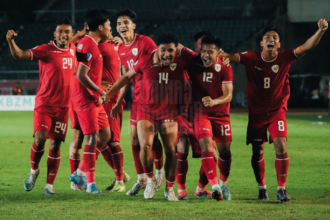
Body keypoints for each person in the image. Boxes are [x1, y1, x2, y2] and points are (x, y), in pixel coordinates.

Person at [219, 19, 328, 202]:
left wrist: (320, 31)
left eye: (275, 37)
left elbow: (305, 47)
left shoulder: (285, 57)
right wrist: (222, 56)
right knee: (257, 152)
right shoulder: (251, 57)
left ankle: (281, 189)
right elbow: (234, 57)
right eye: (267, 37)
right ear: (262, 42)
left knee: (281, 146)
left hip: (276, 111)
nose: (271, 39)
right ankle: (262, 188)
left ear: (278, 43)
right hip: (256, 114)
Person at [106, 33, 188, 201]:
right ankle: (150, 180)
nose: (166, 54)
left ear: (176, 50)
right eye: (163, 50)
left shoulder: (182, 62)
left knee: (172, 150)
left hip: (169, 111)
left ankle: (169, 188)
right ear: (157, 49)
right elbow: (127, 76)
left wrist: (222, 57)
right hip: (146, 110)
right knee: (145, 146)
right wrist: (110, 93)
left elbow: (201, 60)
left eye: (171, 50)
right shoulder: (145, 60)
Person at [6, 18, 76, 195]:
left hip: (63, 107)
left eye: (67, 32)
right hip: (44, 104)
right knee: (40, 139)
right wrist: (10, 41)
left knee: (55, 145)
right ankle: (34, 170)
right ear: (54, 33)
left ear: (71, 34)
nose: (63, 35)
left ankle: (49, 185)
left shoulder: (74, 48)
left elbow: (85, 37)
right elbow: (19, 55)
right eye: (60, 31)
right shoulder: (46, 50)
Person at [114, 8, 164, 196]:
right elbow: (125, 78)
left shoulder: (146, 42)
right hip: (137, 99)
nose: (122, 26)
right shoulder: (120, 49)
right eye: (119, 23)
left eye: (126, 22)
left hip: (152, 99)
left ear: (134, 25)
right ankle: (142, 178)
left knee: (150, 139)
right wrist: (119, 101)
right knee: (135, 139)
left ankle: (158, 172)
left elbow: (157, 65)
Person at [178, 35, 233, 201]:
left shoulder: (224, 67)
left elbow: (228, 94)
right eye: (203, 51)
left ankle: (221, 185)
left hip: (221, 114)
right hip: (199, 112)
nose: (205, 55)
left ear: (219, 53)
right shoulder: (194, 59)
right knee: (205, 145)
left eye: (210, 52)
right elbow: (176, 45)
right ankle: (215, 186)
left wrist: (214, 101)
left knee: (225, 154)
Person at [69, 9, 112, 194]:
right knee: (91, 138)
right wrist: (99, 89)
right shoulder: (89, 45)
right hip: (85, 99)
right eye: (109, 25)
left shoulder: (85, 42)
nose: (111, 29)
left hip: (93, 99)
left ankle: (79, 172)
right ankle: (90, 184)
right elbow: (80, 75)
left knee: (105, 136)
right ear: (101, 27)